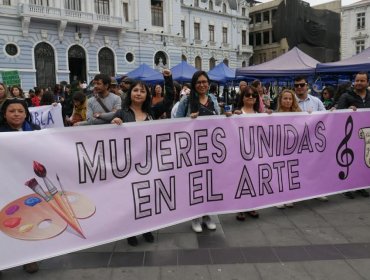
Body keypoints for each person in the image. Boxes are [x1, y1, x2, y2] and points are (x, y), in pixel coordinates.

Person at [111, 69, 174, 246]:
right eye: (136, 90)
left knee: (147, 197)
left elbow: (169, 100)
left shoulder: (152, 112)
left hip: (148, 164)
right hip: (129, 165)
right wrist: (114, 124)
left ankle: (146, 228)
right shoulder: (121, 114)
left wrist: (168, 79)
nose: (139, 93)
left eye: (142, 91)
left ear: (147, 95)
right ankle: (131, 231)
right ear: (130, 94)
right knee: (130, 199)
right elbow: (110, 138)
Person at [175, 70, 220, 233]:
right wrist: (189, 120)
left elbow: (219, 122)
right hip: (192, 150)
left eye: (204, 82)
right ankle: (195, 216)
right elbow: (176, 123)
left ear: (208, 84)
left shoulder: (213, 99)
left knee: (209, 183)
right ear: (194, 84)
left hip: (210, 148)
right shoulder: (186, 100)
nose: (202, 85)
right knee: (195, 183)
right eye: (198, 82)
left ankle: (207, 216)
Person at [0, 98, 40, 272]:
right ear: (4, 114)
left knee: (28, 219)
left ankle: (28, 257)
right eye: (12, 111)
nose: (16, 114)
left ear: (26, 113)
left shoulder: (37, 131)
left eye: (20, 111)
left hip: (27, 183)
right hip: (4, 182)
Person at [337, 72, 370, 199]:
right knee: (349, 162)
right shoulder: (346, 96)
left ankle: (360, 186)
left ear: (367, 82)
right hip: (349, 136)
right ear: (354, 82)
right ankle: (347, 187)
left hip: (366, 135)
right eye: (357, 80)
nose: (359, 83)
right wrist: (347, 110)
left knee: (362, 162)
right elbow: (338, 114)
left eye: (362, 81)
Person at [233, 86, 261, 220]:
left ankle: (252, 206)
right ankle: (240, 208)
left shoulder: (260, 114)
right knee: (241, 180)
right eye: (248, 95)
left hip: (256, 153)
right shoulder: (238, 113)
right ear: (242, 97)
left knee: (254, 179)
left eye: (253, 95)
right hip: (241, 153)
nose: (251, 97)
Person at [275, 89, 302, 208]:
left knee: (291, 173)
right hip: (280, 149)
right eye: (285, 98)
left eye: (290, 99)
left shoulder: (299, 114)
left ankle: (289, 196)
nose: (288, 101)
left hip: (294, 149)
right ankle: (278, 199)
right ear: (280, 100)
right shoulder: (274, 115)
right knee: (280, 173)